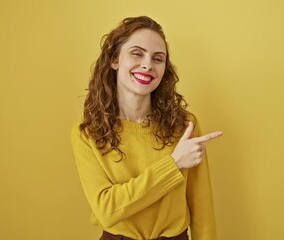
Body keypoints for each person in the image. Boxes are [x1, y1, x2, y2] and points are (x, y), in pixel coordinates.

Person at [70, 16, 222, 240]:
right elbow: (107, 210)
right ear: (114, 60)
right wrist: (174, 163)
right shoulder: (87, 133)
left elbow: (202, 208)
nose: (148, 65)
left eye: (158, 58)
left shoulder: (185, 126)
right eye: (137, 53)